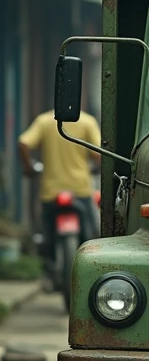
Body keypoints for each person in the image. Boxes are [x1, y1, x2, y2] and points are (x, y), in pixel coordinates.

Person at [18, 109, 101, 265]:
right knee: (89, 237)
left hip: (51, 190)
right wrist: (97, 167)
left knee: (44, 234)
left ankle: (48, 267)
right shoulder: (87, 122)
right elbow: (98, 153)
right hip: (80, 188)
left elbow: (23, 143)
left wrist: (28, 167)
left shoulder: (44, 121)